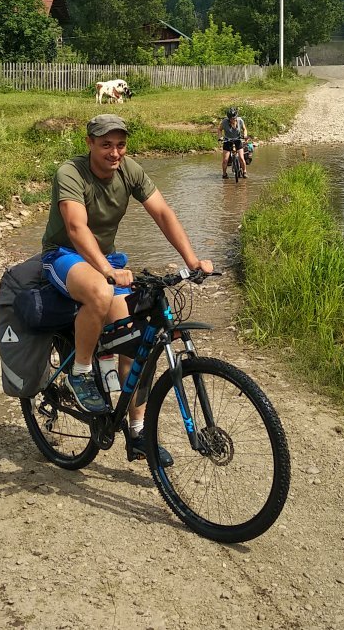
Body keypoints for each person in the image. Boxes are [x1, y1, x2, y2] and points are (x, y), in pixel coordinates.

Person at [40, 113, 214, 465]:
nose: (114, 152)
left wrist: (192, 260)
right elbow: (75, 228)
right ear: (89, 143)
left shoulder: (129, 170)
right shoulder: (70, 173)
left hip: (104, 261)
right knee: (101, 293)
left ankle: (136, 433)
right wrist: (106, 271)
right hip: (64, 257)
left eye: (120, 145)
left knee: (133, 343)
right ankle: (82, 372)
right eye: (106, 144)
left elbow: (163, 213)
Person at [219, 106, 249, 178]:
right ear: (229, 118)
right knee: (225, 160)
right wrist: (220, 137)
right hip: (227, 141)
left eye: (234, 118)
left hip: (238, 140)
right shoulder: (224, 122)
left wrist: (245, 135)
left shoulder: (240, 121)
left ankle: (244, 172)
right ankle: (224, 174)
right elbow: (219, 129)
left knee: (241, 158)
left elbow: (244, 129)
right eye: (231, 118)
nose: (233, 119)